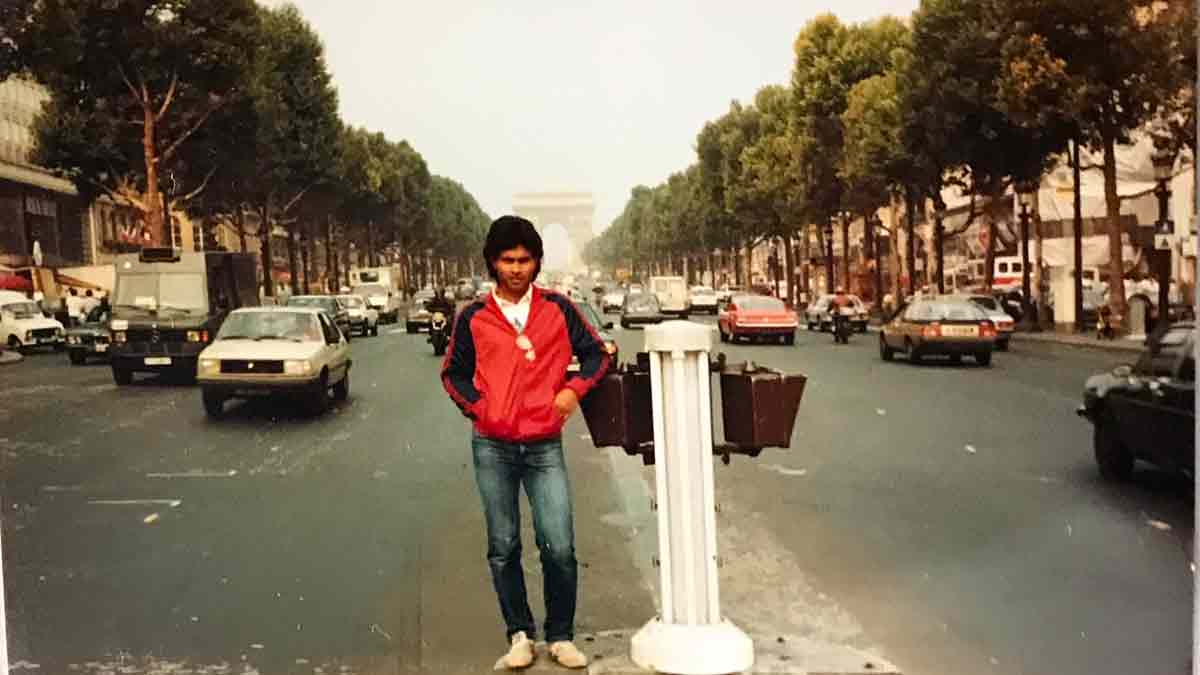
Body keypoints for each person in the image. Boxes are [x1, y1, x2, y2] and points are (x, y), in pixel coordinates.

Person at [441, 216, 611, 670]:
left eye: (524, 259)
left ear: (537, 262)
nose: (516, 268)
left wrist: (573, 389)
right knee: (504, 545)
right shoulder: (473, 316)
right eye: (507, 259)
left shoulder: (559, 308)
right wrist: (482, 408)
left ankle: (561, 635)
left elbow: (597, 352)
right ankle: (519, 635)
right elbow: (453, 373)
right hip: (491, 445)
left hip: (543, 446)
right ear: (493, 263)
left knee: (559, 544)